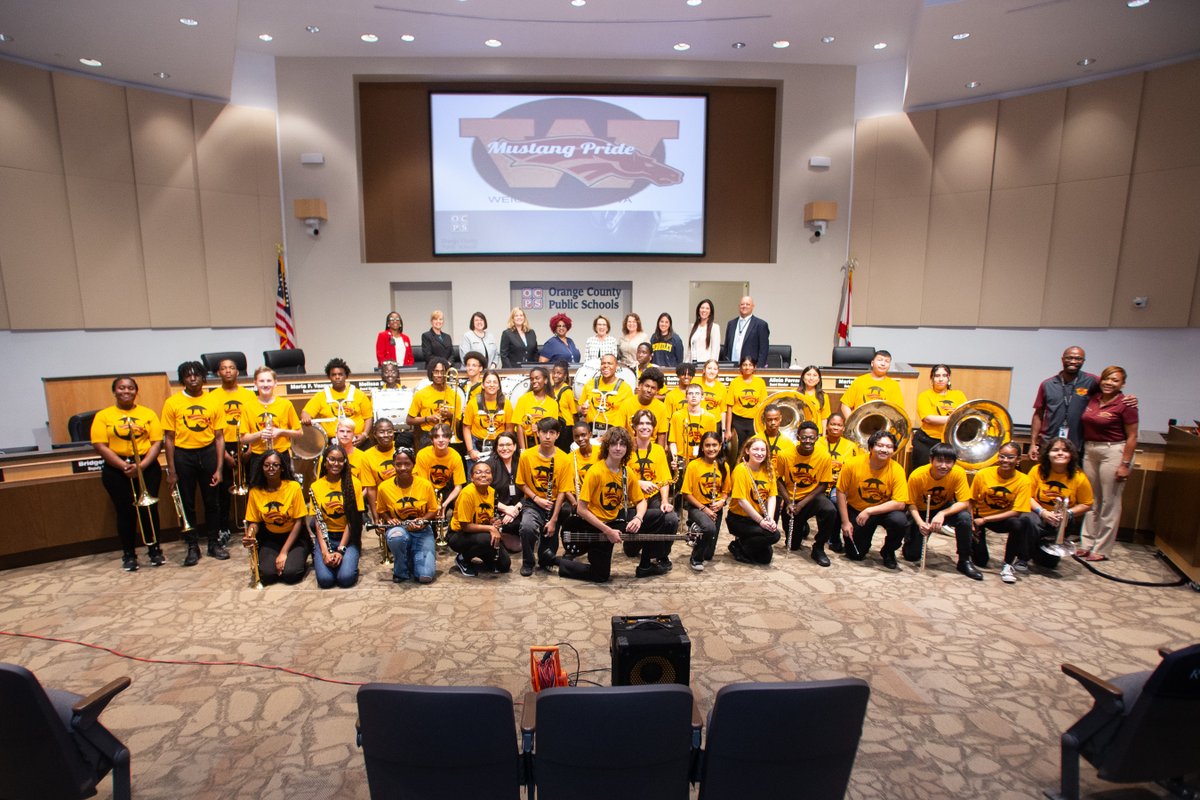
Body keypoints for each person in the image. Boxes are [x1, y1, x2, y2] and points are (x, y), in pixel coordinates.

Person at [554, 426, 658, 582]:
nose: (618, 448)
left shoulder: (627, 472)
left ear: (627, 448)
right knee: (600, 575)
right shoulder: (595, 472)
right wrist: (607, 531)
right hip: (596, 525)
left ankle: (646, 565)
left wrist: (638, 518)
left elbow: (641, 500)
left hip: (615, 520)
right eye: (614, 444)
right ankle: (556, 561)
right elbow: (581, 510)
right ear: (607, 447)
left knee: (660, 518)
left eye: (622, 444)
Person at [91, 377, 165, 571]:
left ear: (136, 391)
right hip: (117, 469)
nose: (126, 391)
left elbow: (157, 442)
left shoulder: (148, 413)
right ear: (114, 391)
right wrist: (123, 465)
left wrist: (141, 466)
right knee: (125, 513)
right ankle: (129, 554)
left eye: (130, 388)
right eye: (121, 388)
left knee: (149, 511)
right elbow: (100, 445)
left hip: (147, 467)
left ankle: (154, 549)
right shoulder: (103, 416)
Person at [162, 361, 227, 566]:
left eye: (196, 374)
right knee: (187, 503)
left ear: (203, 377)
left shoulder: (213, 401)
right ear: (182, 379)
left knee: (212, 502)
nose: (192, 378)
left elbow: (219, 437)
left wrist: (219, 468)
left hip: (208, 453)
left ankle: (214, 543)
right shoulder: (172, 403)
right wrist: (172, 470)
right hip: (183, 456)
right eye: (188, 375)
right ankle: (192, 546)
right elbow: (169, 439)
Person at [1029, 346, 1136, 460]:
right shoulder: (1047, 384)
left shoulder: (1092, 381)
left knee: (1076, 472)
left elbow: (1111, 391)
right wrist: (1033, 443)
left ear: (1083, 361)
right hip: (1049, 441)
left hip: (1078, 443)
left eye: (1078, 358)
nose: (1073, 361)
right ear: (1062, 359)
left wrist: (1129, 399)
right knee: (1046, 471)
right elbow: (1038, 414)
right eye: (1069, 357)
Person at [1079, 366, 1139, 562]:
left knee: (1109, 501)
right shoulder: (1093, 398)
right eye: (1106, 379)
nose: (1109, 383)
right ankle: (1087, 543)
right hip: (1091, 450)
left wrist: (1125, 464)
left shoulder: (1126, 404)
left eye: (1115, 380)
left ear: (1122, 384)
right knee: (1091, 499)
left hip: (1114, 451)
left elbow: (1132, 436)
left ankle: (1102, 548)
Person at [905, 442, 982, 580]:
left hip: (944, 508)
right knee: (911, 555)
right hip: (921, 511)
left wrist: (942, 513)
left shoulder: (958, 473)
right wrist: (920, 523)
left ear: (954, 463)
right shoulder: (917, 475)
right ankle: (910, 537)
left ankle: (964, 560)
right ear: (931, 460)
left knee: (964, 518)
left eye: (948, 462)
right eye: (939, 460)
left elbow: (964, 502)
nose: (944, 466)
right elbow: (910, 504)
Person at [837, 430, 909, 569]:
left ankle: (888, 551)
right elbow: (841, 492)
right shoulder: (852, 464)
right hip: (857, 510)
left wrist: (870, 510)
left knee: (899, 521)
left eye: (889, 447)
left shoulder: (897, 469)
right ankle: (864, 541)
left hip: (884, 511)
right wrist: (845, 522)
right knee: (855, 555)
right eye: (880, 445)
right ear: (871, 447)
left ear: (894, 450)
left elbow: (900, 503)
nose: (884, 450)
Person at [970, 442, 1034, 585]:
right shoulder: (983, 474)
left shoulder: (1024, 480)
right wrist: (971, 521)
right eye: (1002, 456)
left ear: (1018, 460)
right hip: (979, 518)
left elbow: (1016, 511)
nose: (1005, 460)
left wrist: (986, 520)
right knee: (980, 561)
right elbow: (971, 500)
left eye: (1010, 457)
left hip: (1002, 519)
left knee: (1021, 523)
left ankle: (1008, 564)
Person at [776, 421, 838, 567]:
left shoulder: (824, 456)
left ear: (817, 438)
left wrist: (802, 504)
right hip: (792, 499)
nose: (807, 441)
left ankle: (819, 547)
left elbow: (823, 484)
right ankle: (803, 526)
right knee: (793, 545)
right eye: (804, 437)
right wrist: (789, 502)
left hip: (812, 498)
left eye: (811, 438)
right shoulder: (784, 455)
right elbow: (778, 480)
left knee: (830, 510)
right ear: (798, 437)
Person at [1027, 437, 1094, 572]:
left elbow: (1087, 504)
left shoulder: (1079, 477)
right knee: (1027, 520)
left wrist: (1067, 513)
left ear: (1071, 455)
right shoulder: (1036, 470)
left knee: (1048, 564)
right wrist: (1043, 512)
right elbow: (1026, 496)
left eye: (1065, 450)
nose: (1060, 453)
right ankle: (1024, 554)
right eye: (1055, 450)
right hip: (1037, 514)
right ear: (1047, 454)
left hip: (1060, 519)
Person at [515, 417, 571, 576]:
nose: (547, 436)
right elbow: (521, 483)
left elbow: (562, 491)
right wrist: (536, 498)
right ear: (537, 433)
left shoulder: (564, 459)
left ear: (557, 435)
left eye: (552, 433)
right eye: (544, 432)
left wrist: (553, 520)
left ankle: (544, 556)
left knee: (546, 557)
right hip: (533, 502)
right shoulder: (526, 456)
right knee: (526, 528)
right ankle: (528, 562)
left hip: (553, 505)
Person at [242, 450, 308, 585]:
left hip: (294, 537)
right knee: (267, 575)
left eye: (275, 465)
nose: (270, 468)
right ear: (261, 468)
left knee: (291, 574)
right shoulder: (255, 491)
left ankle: (297, 560)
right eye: (266, 465)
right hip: (270, 538)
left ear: (282, 468)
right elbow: (254, 522)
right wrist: (250, 534)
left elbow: (298, 522)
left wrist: (283, 552)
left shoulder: (293, 487)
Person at [210, 358, 257, 544]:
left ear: (238, 372)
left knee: (252, 486)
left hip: (246, 443)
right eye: (224, 368)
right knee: (224, 490)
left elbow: (254, 423)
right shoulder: (212, 397)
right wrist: (223, 455)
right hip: (224, 446)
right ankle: (223, 528)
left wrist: (250, 448)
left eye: (231, 368)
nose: (228, 371)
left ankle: (253, 524)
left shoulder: (249, 395)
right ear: (218, 373)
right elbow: (212, 429)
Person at [376, 447, 439, 584]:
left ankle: (412, 556)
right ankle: (400, 570)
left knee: (425, 577)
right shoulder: (383, 487)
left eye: (407, 464)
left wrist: (423, 520)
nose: (403, 468)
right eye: (398, 464)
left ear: (413, 464)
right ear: (393, 465)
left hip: (422, 531)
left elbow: (433, 510)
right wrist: (389, 519)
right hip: (399, 528)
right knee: (396, 537)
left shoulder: (425, 485)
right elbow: (381, 509)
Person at [626, 409, 678, 570]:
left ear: (653, 427)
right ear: (634, 426)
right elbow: (618, 476)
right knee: (630, 551)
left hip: (653, 498)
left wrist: (664, 501)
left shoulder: (658, 450)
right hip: (631, 500)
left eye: (648, 423)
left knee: (671, 518)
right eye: (641, 423)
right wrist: (638, 483)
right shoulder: (625, 448)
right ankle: (643, 543)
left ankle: (661, 555)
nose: (644, 427)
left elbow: (664, 480)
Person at [307, 442, 364, 589]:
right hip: (326, 537)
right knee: (325, 581)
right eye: (332, 459)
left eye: (340, 460)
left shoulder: (355, 484)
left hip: (348, 538)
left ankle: (348, 561)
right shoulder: (316, 486)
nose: (336, 464)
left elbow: (352, 521)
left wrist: (340, 550)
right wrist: (325, 552)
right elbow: (318, 522)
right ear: (325, 461)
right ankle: (324, 556)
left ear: (345, 462)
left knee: (345, 579)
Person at [449, 462, 512, 576]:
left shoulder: (492, 492)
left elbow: (486, 516)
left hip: (479, 533)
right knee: (488, 538)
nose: (483, 475)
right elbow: (465, 526)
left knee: (504, 565)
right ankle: (462, 558)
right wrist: (490, 528)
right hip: (459, 534)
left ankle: (481, 553)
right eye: (478, 472)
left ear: (492, 476)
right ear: (472, 478)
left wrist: (493, 522)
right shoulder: (467, 493)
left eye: (487, 472)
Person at [681, 431, 730, 571]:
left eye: (714, 445)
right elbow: (686, 493)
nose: (711, 449)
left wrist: (722, 501)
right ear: (702, 447)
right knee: (709, 528)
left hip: (716, 508)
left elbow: (726, 491)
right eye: (707, 445)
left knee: (708, 555)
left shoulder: (724, 465)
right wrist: (704, 509)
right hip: (698, 507)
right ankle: (695, 558)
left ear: (720, 446)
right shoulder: (693, 465)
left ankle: (698, 531)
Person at [726, 436, 780, 564]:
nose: (759, 453)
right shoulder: (740, 470)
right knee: (774, 535)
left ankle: (744, 542)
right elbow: (741, 501)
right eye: (755, 449)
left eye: (763, 450)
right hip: (739, 519)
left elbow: (772, 496)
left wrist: (770, 518)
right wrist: (761, 521)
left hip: (758, 517)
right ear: (747, 451)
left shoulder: (769, 469)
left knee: (765, 559)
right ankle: (738, 546)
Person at [240, 366, 301, 471]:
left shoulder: (286, 404)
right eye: (261, 381)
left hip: (281, 454)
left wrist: (280, 431)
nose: (265, 384)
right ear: (255, 383)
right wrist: (260, 434)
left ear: (275, 383)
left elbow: (299, 433)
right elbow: (243, 439)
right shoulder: (247, 407)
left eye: (269, 381)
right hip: (258, 455)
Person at [301, 358, 374, 445]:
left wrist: (364, 434)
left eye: (340, 374)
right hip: (332, 444)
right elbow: (306, 412)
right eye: (334, 375)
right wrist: (305, 417)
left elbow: (368, 417)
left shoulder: (359, 394)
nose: (337, 377)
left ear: (346, 376)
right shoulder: (321, 396)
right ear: (329, 377)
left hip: (357, 441)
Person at [911, 364, 968, 472]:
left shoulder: (959, 395)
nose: (941, 379)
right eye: (937, 376)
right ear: (932, 378)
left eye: (944, 375)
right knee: (922, 472)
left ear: (948, 377)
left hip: (951, 441)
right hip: (927, 441)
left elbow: (965, 415)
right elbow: (928, 418)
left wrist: (956, 418)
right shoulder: (925, 395)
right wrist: (955, 419)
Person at [414, 423, 467, 529]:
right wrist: (435, 505)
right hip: (427, 490)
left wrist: (444, 504)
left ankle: (454, 530)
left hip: (446, 490)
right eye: (437, 437)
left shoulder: (455, 456)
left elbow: (458, 487)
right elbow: (424, 485)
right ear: (432, 440)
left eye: (445, 436)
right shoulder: (422, 454)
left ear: (449, 439)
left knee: (462, 501)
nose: (441, 440)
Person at [483, 431, 523, 554]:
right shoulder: (489, 465)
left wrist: (515, 509)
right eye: (501, 445)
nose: (505, 448)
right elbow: (482, 494)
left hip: (518, 509)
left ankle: (504, 534)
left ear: (515, 446)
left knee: (522, 537)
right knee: (515, 545)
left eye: (508, 444)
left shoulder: (522, 462)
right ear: (496, 447)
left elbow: (530, 491)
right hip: (496, 509)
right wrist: (505, 509)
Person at [406, 358, 460, 448]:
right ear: (431, 373)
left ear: (447, 373)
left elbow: (458, 425)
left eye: (442, 372)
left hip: (448, 436)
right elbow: (409, 420)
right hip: (428, 435)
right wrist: (428, 418)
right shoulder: (421, 394)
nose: (439, 375)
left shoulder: (455, 396)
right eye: (436, 372)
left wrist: (450, 415)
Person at [463, 372, 513, 465]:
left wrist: (505, 447)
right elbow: (466, 428)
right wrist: (471, 450)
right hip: (476, 445)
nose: (491, 385)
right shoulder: (473, 403)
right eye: (488, 382)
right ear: (482, 385)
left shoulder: (506, 404)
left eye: (495, 382)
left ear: (499, 386)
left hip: (499, 445)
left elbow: (509, 428)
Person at [838, 349, 904, 418]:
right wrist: (853, 422)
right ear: (872, 363)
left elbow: (899, 411)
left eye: (887, 361)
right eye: (880, 360)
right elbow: (845, 405)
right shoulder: (860, 381)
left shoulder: (893, 385)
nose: (883, 364)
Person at [579, 354, 633, 437]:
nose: (606, 366)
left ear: (617, 367)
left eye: (609, 363)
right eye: (603, 363)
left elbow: (629, 415)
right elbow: (579, 407)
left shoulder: (625, 388)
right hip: (592, 431)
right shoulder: (590, 384)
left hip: (614, 434)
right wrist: (582, 410)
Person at [669, 383, 719, 469]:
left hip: (702, 458)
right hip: (681, 458)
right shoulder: (677, 416)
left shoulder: (710, 418)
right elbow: (672, 441)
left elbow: (712, 443)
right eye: (690, 393)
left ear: (702, 397)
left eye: (697, 393)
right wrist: (675, 459)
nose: (694, 396)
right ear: (686, 397)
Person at [512, 366, 561, 450]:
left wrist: (539, 428)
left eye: (537, 378)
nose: (534, 381)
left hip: (544, 442)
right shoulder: (523, 399)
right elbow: (519, 426)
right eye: (532, 379)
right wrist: (523, 449)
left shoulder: (553, 403)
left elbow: (553, 428)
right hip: (526, 441)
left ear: (545, 380)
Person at [724, 356, 767, 448]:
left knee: (753, 447)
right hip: (738, 422)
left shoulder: (760, 382)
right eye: (744, 365)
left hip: (754, 422)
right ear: (740, 367)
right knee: (738, 450)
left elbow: (764, 405)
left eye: (750, 365)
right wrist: (727, 430)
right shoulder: (734, 382)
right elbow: (729, 407)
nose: (747, 367)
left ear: (754, 367)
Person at [620, 367, 668, 447]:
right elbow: (619, 431)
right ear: (640, 385)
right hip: (630, 447)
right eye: (647, 386)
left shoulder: (661, 407)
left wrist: (660, 453)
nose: (649, 390)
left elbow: (661, 436)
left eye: (653, 388)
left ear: (657, 391)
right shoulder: (626, 404)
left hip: (651, 448)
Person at [719, 295, 770, 367]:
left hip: (750, 368)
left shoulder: (761, 325)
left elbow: (763, 350)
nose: (744, 306)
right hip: (731, 366)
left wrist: (759, 368)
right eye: (742, 304)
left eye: (747, 304)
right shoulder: (731, 324)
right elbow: (726, 347)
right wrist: (726, 364)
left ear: (753, 306)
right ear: (739, 306)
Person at [549, 359, 578, 451]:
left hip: (566, 428)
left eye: (559, 373)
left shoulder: (567, 391)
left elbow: (574, 413)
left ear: (564, 375)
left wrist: (575, 430)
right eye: (554, 373)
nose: (555, 375)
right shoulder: (550, 390)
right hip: (554, 425)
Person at [797, 365, 831, 429]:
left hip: (817, 432)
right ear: (803, 377)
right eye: (808, 375)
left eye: (815, 375)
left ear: (818, 379)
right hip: (799, 431)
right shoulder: (795, 393)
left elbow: (824, 418)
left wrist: (823, 434)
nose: (811, 378)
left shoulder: (823, 396)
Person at [687, 299, 721, 363]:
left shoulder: (714, 327)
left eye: (707, 308)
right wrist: (686, 363)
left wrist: (712, 365)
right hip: (692, 364)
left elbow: (715, 350)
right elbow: (689, 349)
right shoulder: (693, 326)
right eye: (702, 308)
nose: (704, 310)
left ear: (710, 312)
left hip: (706, 365)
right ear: (698, 310)